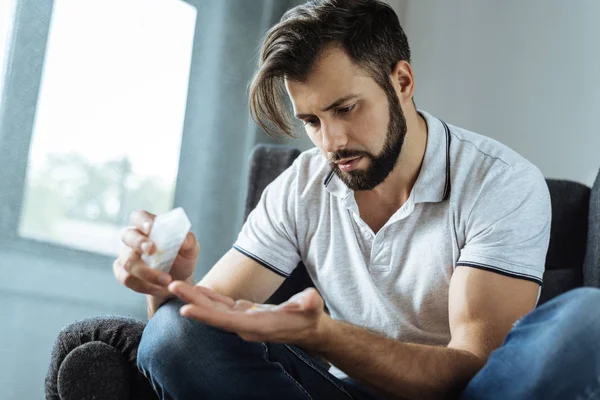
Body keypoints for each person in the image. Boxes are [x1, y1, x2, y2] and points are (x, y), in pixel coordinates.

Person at [113, 1, 600, 399]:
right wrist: (168, 283)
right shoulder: (299, 186)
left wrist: (324, 335)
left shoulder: (501, 183)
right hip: (342, 394)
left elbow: (472, 372)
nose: (331, 141)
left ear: (402, 82)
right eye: (312, 121)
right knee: (175, 331)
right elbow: (192, 333)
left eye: (345, 108)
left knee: (586, 320)